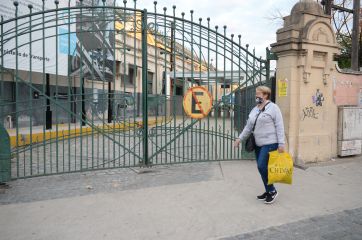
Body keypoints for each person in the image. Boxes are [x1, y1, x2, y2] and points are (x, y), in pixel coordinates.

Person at [234, 86, 285, 204]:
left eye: (258, 94)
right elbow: (248, 127)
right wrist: (239, 139)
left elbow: (280, 126)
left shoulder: (273, 108)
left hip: (270, 143)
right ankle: (268, 190)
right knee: (261, 168)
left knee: (261, 166)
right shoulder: (255, 109)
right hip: (258, 143)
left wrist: (281, 143)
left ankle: (272, 190)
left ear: (266, 95)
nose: (256, 96)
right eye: (256, 94)